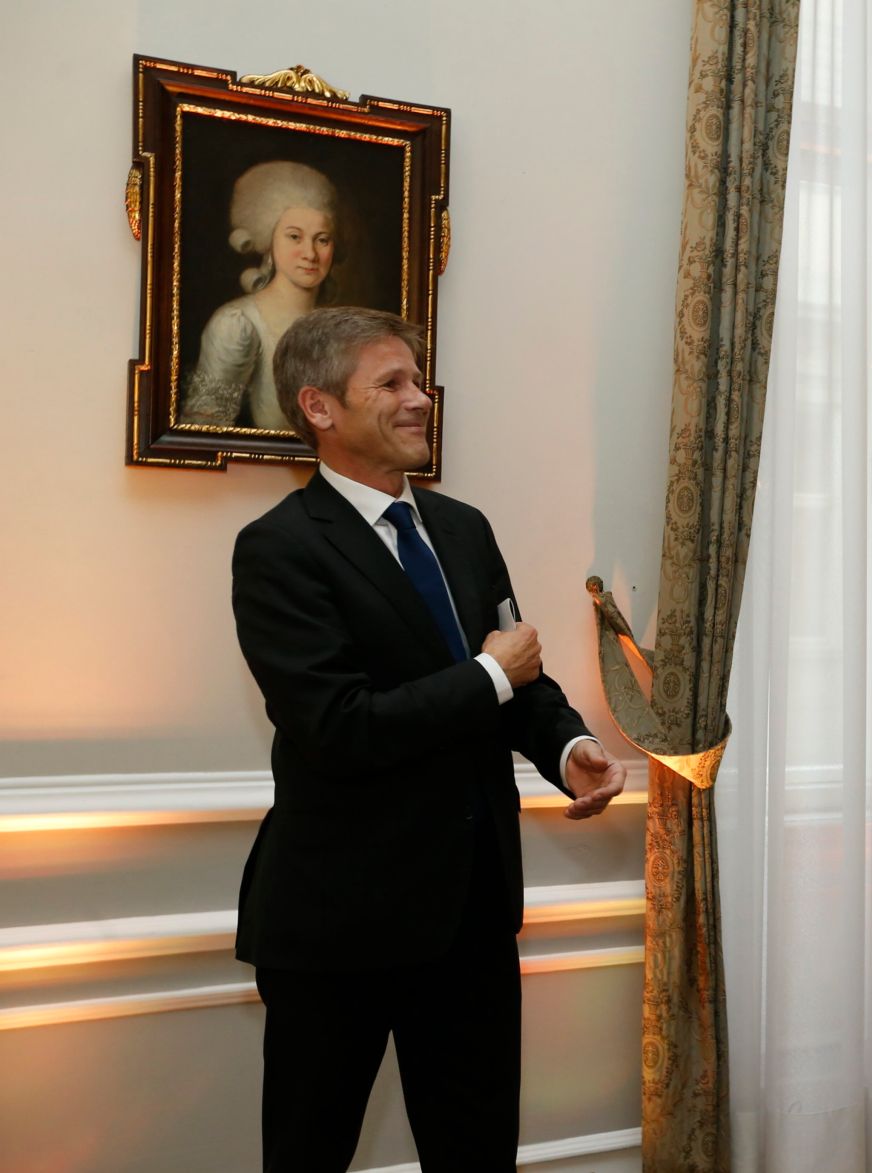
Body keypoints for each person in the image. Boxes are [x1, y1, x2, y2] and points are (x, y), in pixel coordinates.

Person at [230, 306, 626, 1171]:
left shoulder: (462, 528)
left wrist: (565, 746)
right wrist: (489, 675)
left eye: (419, 380)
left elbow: (517, 675)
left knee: (477, 1151)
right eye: (393, 383)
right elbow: (338, 729)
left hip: (472, 917)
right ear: (320, 408)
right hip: (337, 925)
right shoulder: (279, 550)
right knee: (309, 1150)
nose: (420, 399)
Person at [181, 161, 342, 431]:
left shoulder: (339, 330)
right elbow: (205, 430)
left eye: (322, 239)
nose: (310, 253)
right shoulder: (236, 324)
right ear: (268, 241)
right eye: (294, 237)